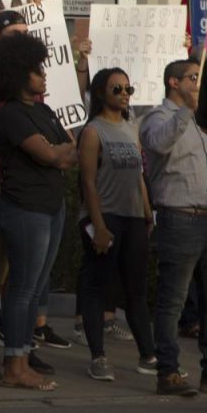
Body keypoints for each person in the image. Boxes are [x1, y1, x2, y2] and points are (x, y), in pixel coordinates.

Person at [0, 33, 76, 390]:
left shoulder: (43, 110)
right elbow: (55, 155)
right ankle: (14, 362)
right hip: (26, 209)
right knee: (22, 288)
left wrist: (61, 152)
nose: (44, 75)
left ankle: (22, 357)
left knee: (36, 286)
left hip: (52, 206)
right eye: (37, 70)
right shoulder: (12, 115)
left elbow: (66, 150)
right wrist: (60, 152)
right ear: (19, 73)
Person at [77, 68, 156, 382]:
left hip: (134, 217)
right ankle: (98, 357)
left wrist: (147, 213)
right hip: (105, 216)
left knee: (136, 290)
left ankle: (148, 355)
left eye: (128, 89)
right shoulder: (93, 131)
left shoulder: (131, 127)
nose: (125, 94)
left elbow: (138, 175)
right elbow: (87, 181)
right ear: (101, 94)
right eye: (117, 89)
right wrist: (98, 224)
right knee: (97, 287)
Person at [140, 58, 207, 397]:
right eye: (193, 77)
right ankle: (168, 371)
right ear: (173, 82)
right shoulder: (159, 116)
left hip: (205, 216)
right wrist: (186, 112)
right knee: (173, 301)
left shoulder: (198, 123)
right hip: (179, 217)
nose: (198, 82)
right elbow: (159, 143)